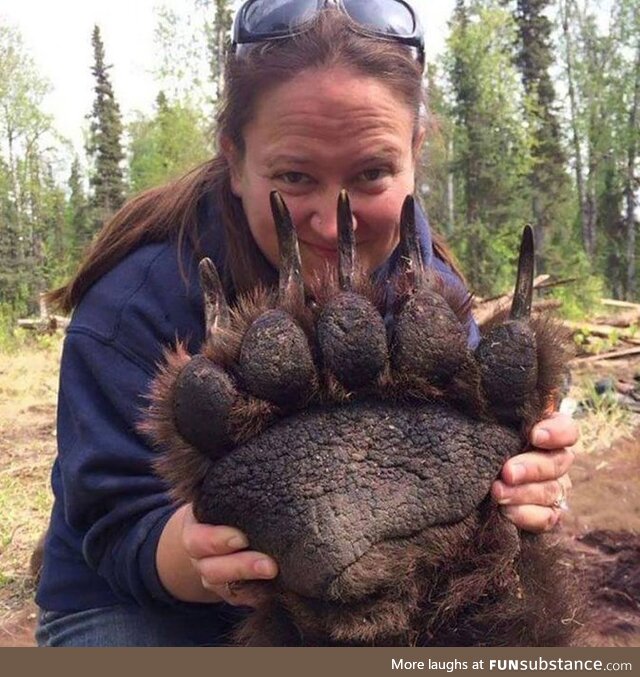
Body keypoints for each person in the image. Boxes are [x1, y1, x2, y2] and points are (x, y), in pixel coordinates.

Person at [35, 0, 578, 647]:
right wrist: (201, 546)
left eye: (372, 173)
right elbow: (114, 524)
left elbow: (473, 489)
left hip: (346, 582)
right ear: (234, 160)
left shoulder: (428, 297)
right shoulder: (135, 304)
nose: (331, 219)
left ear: (415, 151)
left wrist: (519, 486)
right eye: (294, 176)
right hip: (140, 596)